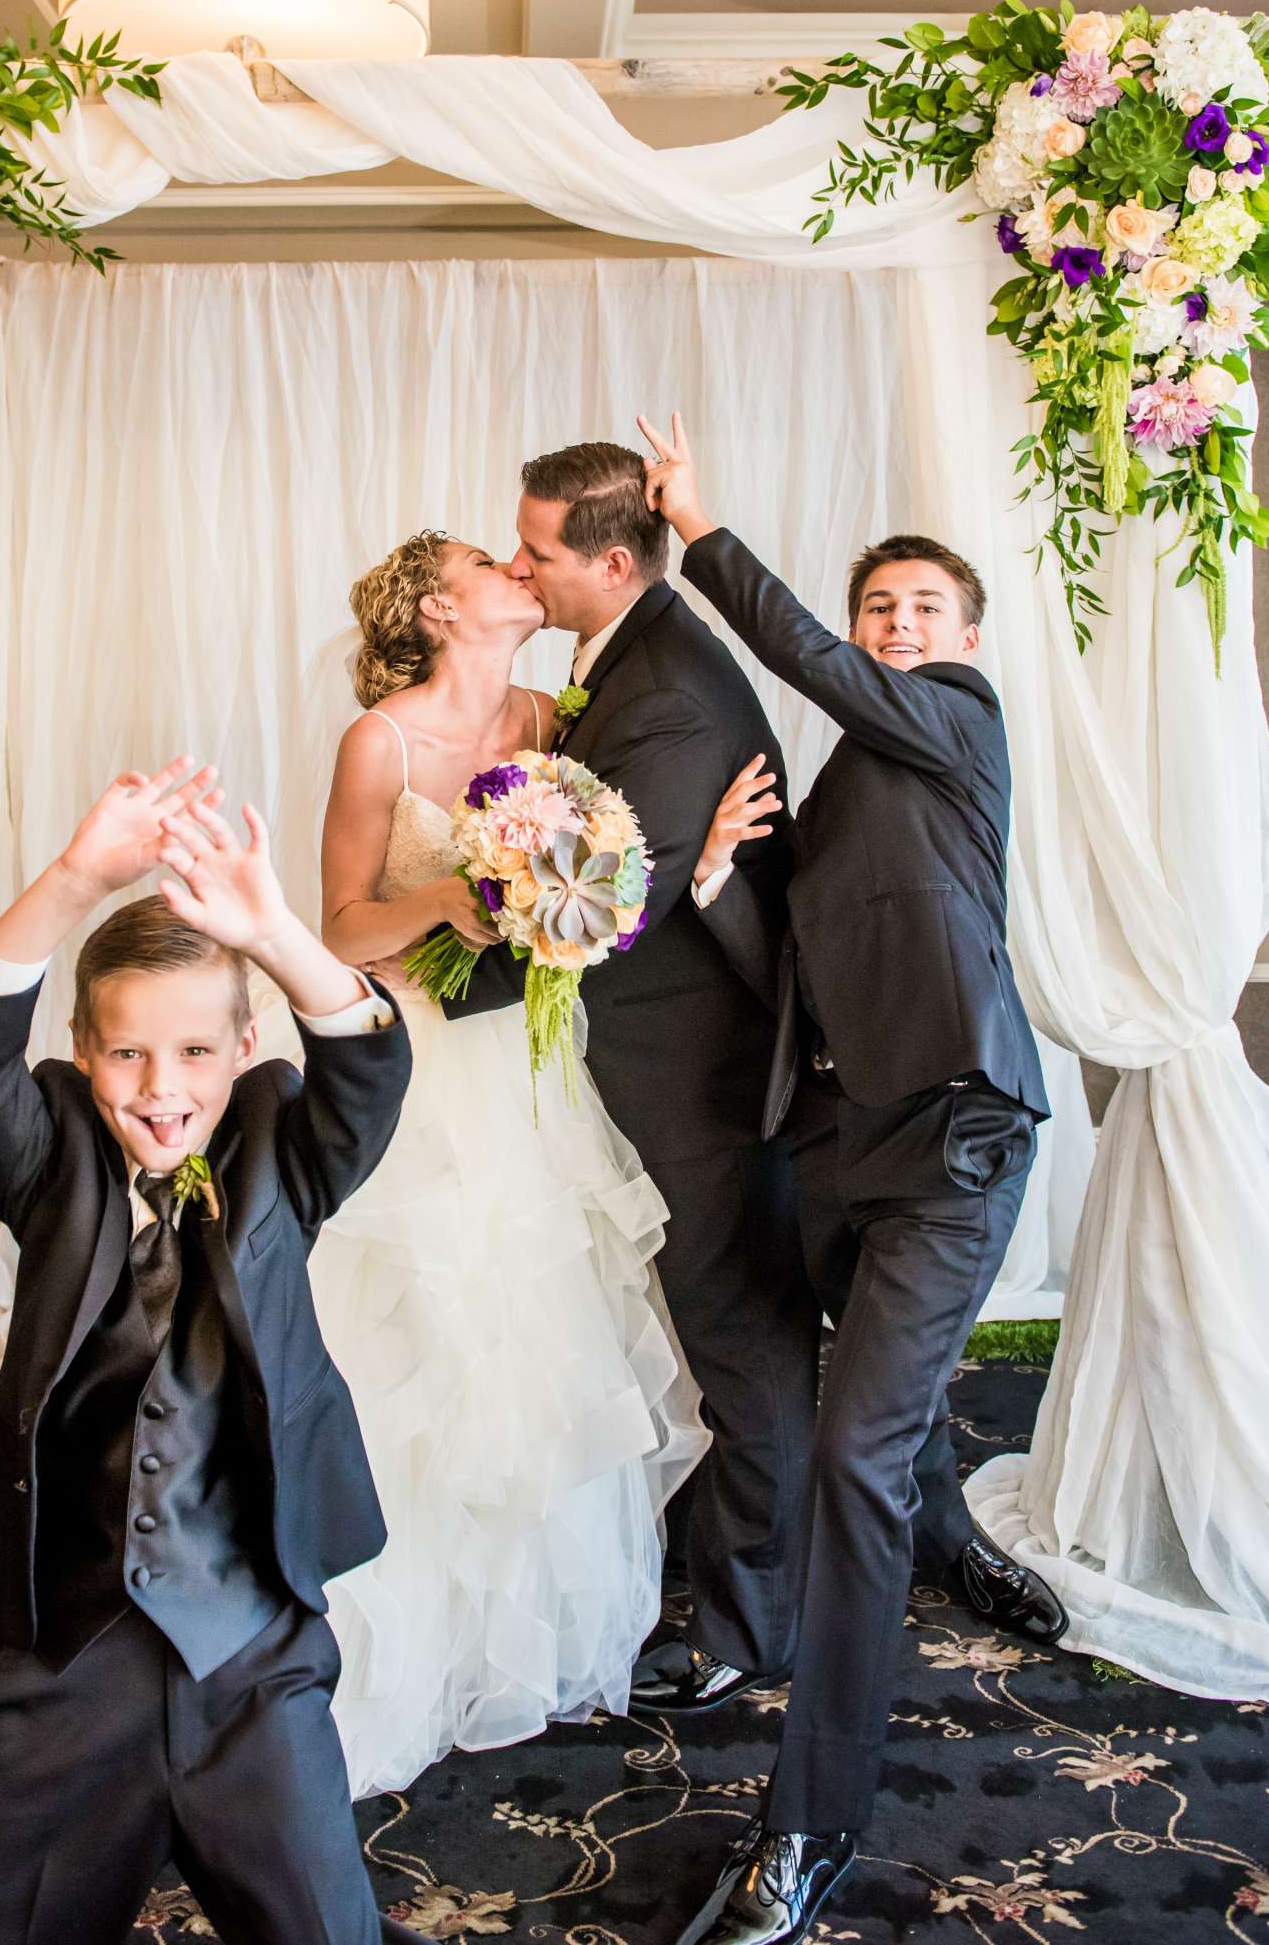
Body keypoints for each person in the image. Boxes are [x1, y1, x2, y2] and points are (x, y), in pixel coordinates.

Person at [637, 414, 1067, 1945]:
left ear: (960, 641)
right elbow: (794, 976)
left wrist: (704, 531)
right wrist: (710, 890)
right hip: (831, 1146)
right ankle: (948, 1538)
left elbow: (817, 664)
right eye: (878, 605)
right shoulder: (839, 799)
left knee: (850, 1458)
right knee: (863, 1414)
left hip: (955, 1136)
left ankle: (805, 1827)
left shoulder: (956, 726)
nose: (894, 627)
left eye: (918, 610)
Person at [0, 754, 423, 1945]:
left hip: (252, 1659)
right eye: (128, 1053)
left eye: (195, 1053)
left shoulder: (284, 1154)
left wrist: (277, 931)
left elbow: (367, 1060)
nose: (160, 1088)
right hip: (60, 1659)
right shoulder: (51, 1162)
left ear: (243, 1049)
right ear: (83, 1055)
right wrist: (79, 876)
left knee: (321, 1926)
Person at [310, 530, 706, 1796]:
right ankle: (384, 1629)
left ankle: (510, 1631)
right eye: (495, 560)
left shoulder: (556, 709)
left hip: (530, 1063)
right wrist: (441, 900)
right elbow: (338, 927)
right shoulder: (380, 740)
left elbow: (600, 858)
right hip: (420, 1059)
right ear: (439, 602)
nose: (520, 572)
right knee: (419, 1325)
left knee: (541, 1330)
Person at [439, 448, 819, 1711]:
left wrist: (435, 995)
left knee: (742, 1340)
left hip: (701, 1071)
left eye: (535, 551)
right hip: (654, 1052)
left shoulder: (665, 691)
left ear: (612, 563)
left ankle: (745, 1626)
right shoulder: (624, 665)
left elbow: (606, 905)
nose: (518, 567)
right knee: (710, 1326)